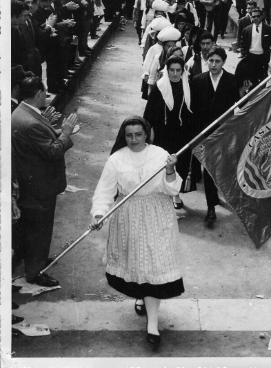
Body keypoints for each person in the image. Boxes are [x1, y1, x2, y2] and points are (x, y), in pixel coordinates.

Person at [90, 116, 184, 347]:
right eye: (129, 135)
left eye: (138, 134)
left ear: (147, 134)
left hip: (157, 215)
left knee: (154, 265)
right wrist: (99, 214)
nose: (134, 140)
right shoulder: (116, 159)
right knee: (138, 263)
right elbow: (104, 191)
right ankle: (142, 298)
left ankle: (153, 325)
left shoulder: (161, 155)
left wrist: (170, 170)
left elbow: (173, 189)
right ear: (124, 136)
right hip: (129, 217)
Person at [11, 76, 78, 286]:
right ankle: (35, 270)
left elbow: (39, 139)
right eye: (45, 93)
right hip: (40, 185)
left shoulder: (21, 113)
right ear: (39, 94)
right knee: (40, 230)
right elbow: (52, 152)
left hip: (29, 181)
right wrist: (65, 133)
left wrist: (53, 129)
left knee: (32, 229)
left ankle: (36, 259)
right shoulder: (31, 122)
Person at [191, 46, 240, 224]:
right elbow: (194, 109)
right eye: (210, 61)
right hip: (205, 133)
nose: (213, 64)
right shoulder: (197, 80)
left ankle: (221, 196)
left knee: (223, 168)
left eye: (217, 61)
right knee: (209, 168)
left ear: (224, 62)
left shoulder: (232, 80)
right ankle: (211, 207)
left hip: (225, 132)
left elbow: (239, 105)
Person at [144, 55, 196, 208]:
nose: (175, 73)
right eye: (171, 70)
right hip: (162, 134)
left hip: (182, 134)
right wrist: (150, 134)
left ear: (183, 71)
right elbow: (149, 114)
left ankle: (175, 195)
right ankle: (161, 196)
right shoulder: (159, 88)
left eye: (178, 70)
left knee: (179, 165)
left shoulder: (189, 87)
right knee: (162, 165)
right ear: (167, 70)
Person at [236, 8, 271, 90]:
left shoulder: (268, 29)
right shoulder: (247, 30)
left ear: (262, 16)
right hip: (251, 56)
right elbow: (243, 43)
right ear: (251, 17)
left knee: (263, 76)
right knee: (252, 76)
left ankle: (262, 93)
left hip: (263, 56)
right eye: (253, 16)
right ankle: (253, 95)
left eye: (258, 16)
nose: (256, 18)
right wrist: (244, 53)